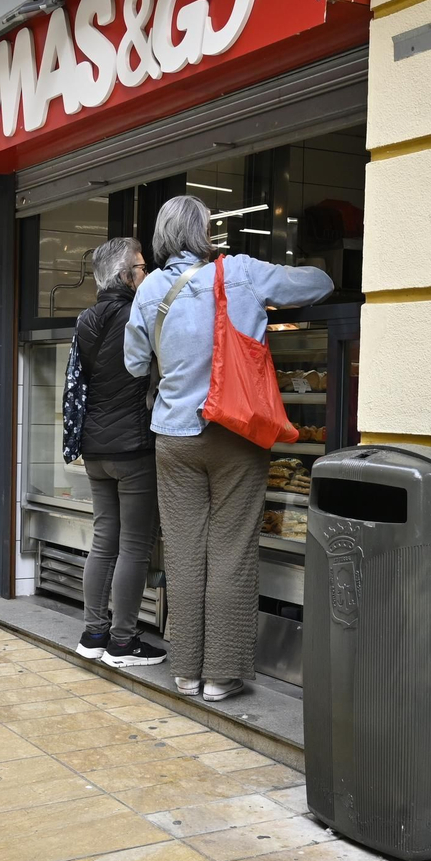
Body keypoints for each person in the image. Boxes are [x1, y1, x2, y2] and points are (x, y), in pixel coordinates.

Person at [124, 196, 333, 702]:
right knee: (231, 551)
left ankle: (186, 672)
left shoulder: (150, 288)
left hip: (174, 437)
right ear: (203, 233)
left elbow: (133, 365)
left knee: (185, 552)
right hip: (237, 432)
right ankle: (220, 676)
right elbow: (318, 285)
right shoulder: (239, 271)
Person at [65, 237, 164, 669]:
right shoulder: (139, 315)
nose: (147, 274)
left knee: (104, 541)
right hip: (132, 449)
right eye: (142, 268)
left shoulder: (87, 318)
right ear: (127, 276)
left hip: (95, 448)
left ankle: (93, 634)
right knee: (134, 546)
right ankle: (123, 642)